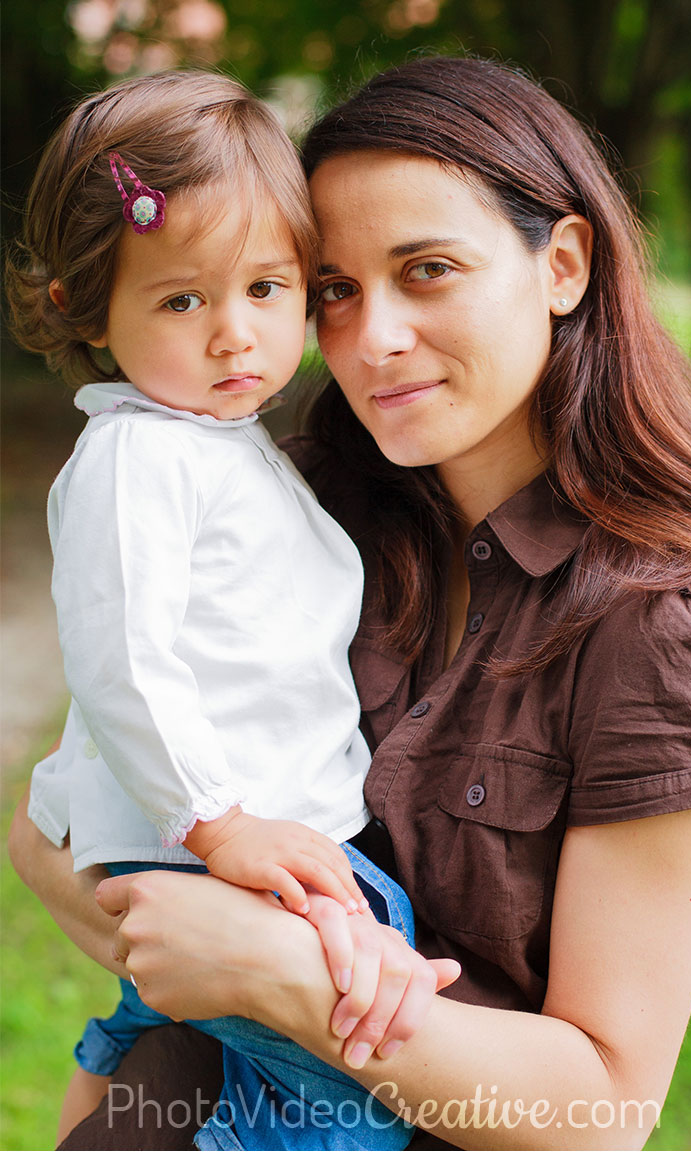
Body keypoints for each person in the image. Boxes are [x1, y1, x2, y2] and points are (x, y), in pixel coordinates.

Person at [10, 55, 691, 1152]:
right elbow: (53, 837)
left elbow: (601, 1113)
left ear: (561, 264)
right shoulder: (316, 504)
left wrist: (278, 972)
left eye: (428, 271)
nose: (373, 341)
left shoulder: (661, 626)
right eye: (334, 291)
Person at [5, 68, 459, 1152]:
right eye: (181, 299)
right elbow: (123, 660)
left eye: (266, 289)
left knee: (310, 1016)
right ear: (86, 307)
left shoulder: (216, 443)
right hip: (217, 840)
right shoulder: (138, 456)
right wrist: (216, 822)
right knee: (355, 1096)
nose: (234, 336)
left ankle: (118, 1083)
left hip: (237, 835)